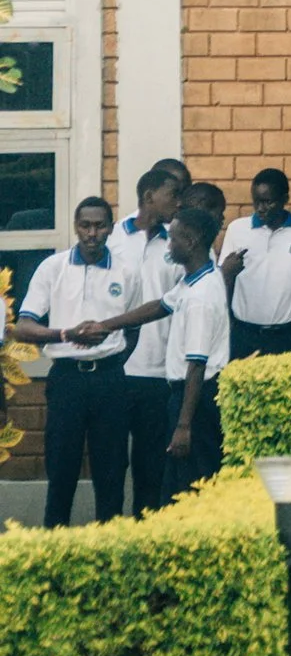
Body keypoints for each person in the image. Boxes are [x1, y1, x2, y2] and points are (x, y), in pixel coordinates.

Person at [19, 196, 146, 525]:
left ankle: (110, 555)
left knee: (112, 470)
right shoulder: (53, 267)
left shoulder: (127, 272)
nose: (92, 233)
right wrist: (66, 335)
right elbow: (24, 326)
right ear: (76, 227)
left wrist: (115, 359)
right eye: (86, 225)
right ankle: (54, 551)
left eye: (100, 225)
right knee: (62, 468)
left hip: (110, 380)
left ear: (110, 228)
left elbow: (133, 327)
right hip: (66, 378)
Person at [106, 161, 192, 517]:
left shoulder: (180, 242)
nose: (180, 202)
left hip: (159, 374)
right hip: (114, 372)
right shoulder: (111, 236)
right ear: (148, 196)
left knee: (150, 469)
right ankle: (106, 537)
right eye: (174, 195)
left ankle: (145, 538)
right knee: (110, 467)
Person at [219, 169, 291, 358]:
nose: (261, 208)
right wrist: (227, 319)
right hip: (245, 334)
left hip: (289, 335)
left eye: (268, 202)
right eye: (256, 202)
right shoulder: (237, 230)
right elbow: (225, 279)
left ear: (284, 199)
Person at [161, 203, 232, 490]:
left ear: (190, 242)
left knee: (192, 483)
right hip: (190, 398)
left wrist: (183, 425)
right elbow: (161, 306)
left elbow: (197, 364)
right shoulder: (198, 279)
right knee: (179, 481)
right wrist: (107, 326)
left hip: (195, 400)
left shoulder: (200, 297)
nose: (169, 243)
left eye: (173, 237)